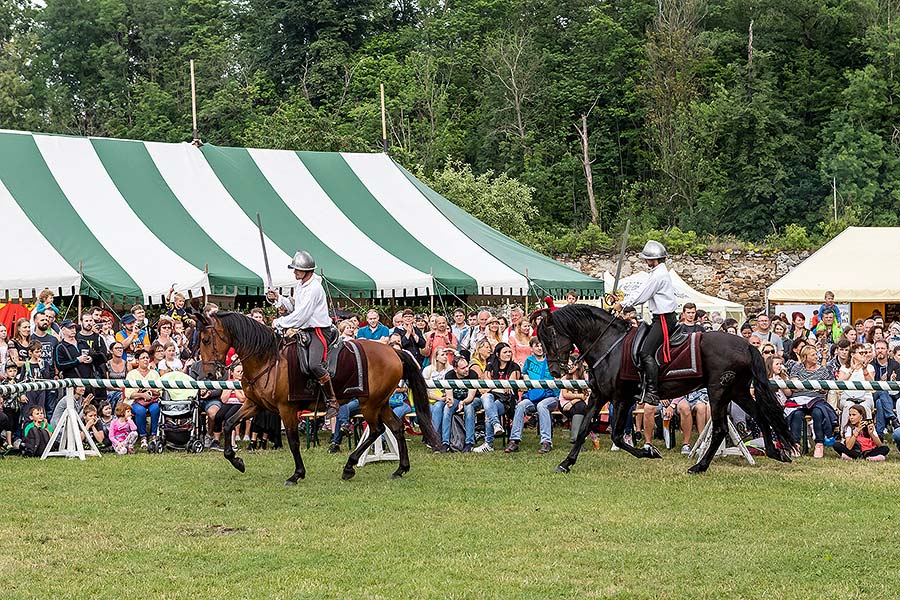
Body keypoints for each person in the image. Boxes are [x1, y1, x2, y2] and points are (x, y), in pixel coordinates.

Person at [266, 250, 339, 419]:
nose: (294, 272)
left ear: (307, 271)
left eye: (297, 269)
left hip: (319, 331)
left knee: (314, 364)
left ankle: (332, 400)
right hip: (305, 330)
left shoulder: (314, 288)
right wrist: (278, 298)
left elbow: (302, 315)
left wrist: (279, 323)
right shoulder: (300, 286)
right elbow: (295, 308)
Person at [615, 240, 677, 409]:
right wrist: (622, 297)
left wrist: (622, 304)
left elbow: (642, 295)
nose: (646, 262)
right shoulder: (656, 272)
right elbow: (641, 289)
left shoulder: (658, 275)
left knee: (646, 352)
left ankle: (652, 391)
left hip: (664, 319)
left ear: (654, 260)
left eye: (647, 259)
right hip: (659, 318)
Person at [787, 345, 838, 458]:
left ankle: (819, 443)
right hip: (799, 399)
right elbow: (794, 386)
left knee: (818, 412)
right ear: (805, 357)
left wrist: (807, 385)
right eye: (813, 355)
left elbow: (825, 388)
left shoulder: (822, 370)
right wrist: (810, 385)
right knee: (796, 414)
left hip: (816, 399)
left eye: (816, 354)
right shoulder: (797, 368)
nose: (817, 357)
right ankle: (795, 444)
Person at [125, 348, 162, 449]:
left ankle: (154, 435)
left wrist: (151, 392)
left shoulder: (154, 373)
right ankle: (143, 437)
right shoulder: (131, 374)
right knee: (140, 410)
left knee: (155, 409)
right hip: (136, 401)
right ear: (137, 360)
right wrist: (142, 395)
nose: (146, 360)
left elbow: (160, 390)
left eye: (147, 358)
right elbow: (128, 393)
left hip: (152, 400)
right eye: (142, 358)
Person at [836, 343, 875, 430]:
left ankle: (869, 434)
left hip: (865, 397)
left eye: (865, 352)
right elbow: (839, 384)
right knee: (848, 405)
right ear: (852, 354)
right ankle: (845, 434)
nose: (864, 355)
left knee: (865, 406)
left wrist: (865, 370)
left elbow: (871, 384)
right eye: (861, 353)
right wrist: (852, 370)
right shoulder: (844, 368)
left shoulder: (870, 367)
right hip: (847, 397)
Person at [870, 340, 900, 436]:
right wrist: (882, 383)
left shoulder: (895, 365)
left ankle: (879, 434)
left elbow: (897, 389)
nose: (880, 351)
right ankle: (892, 417)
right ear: (875, 350)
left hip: (891, 397)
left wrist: (892, 383)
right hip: (873, 395)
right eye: (878, 348)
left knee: (880, 402)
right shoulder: (871, 365)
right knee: (881, 389)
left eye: (882, 348)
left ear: (887, 350)